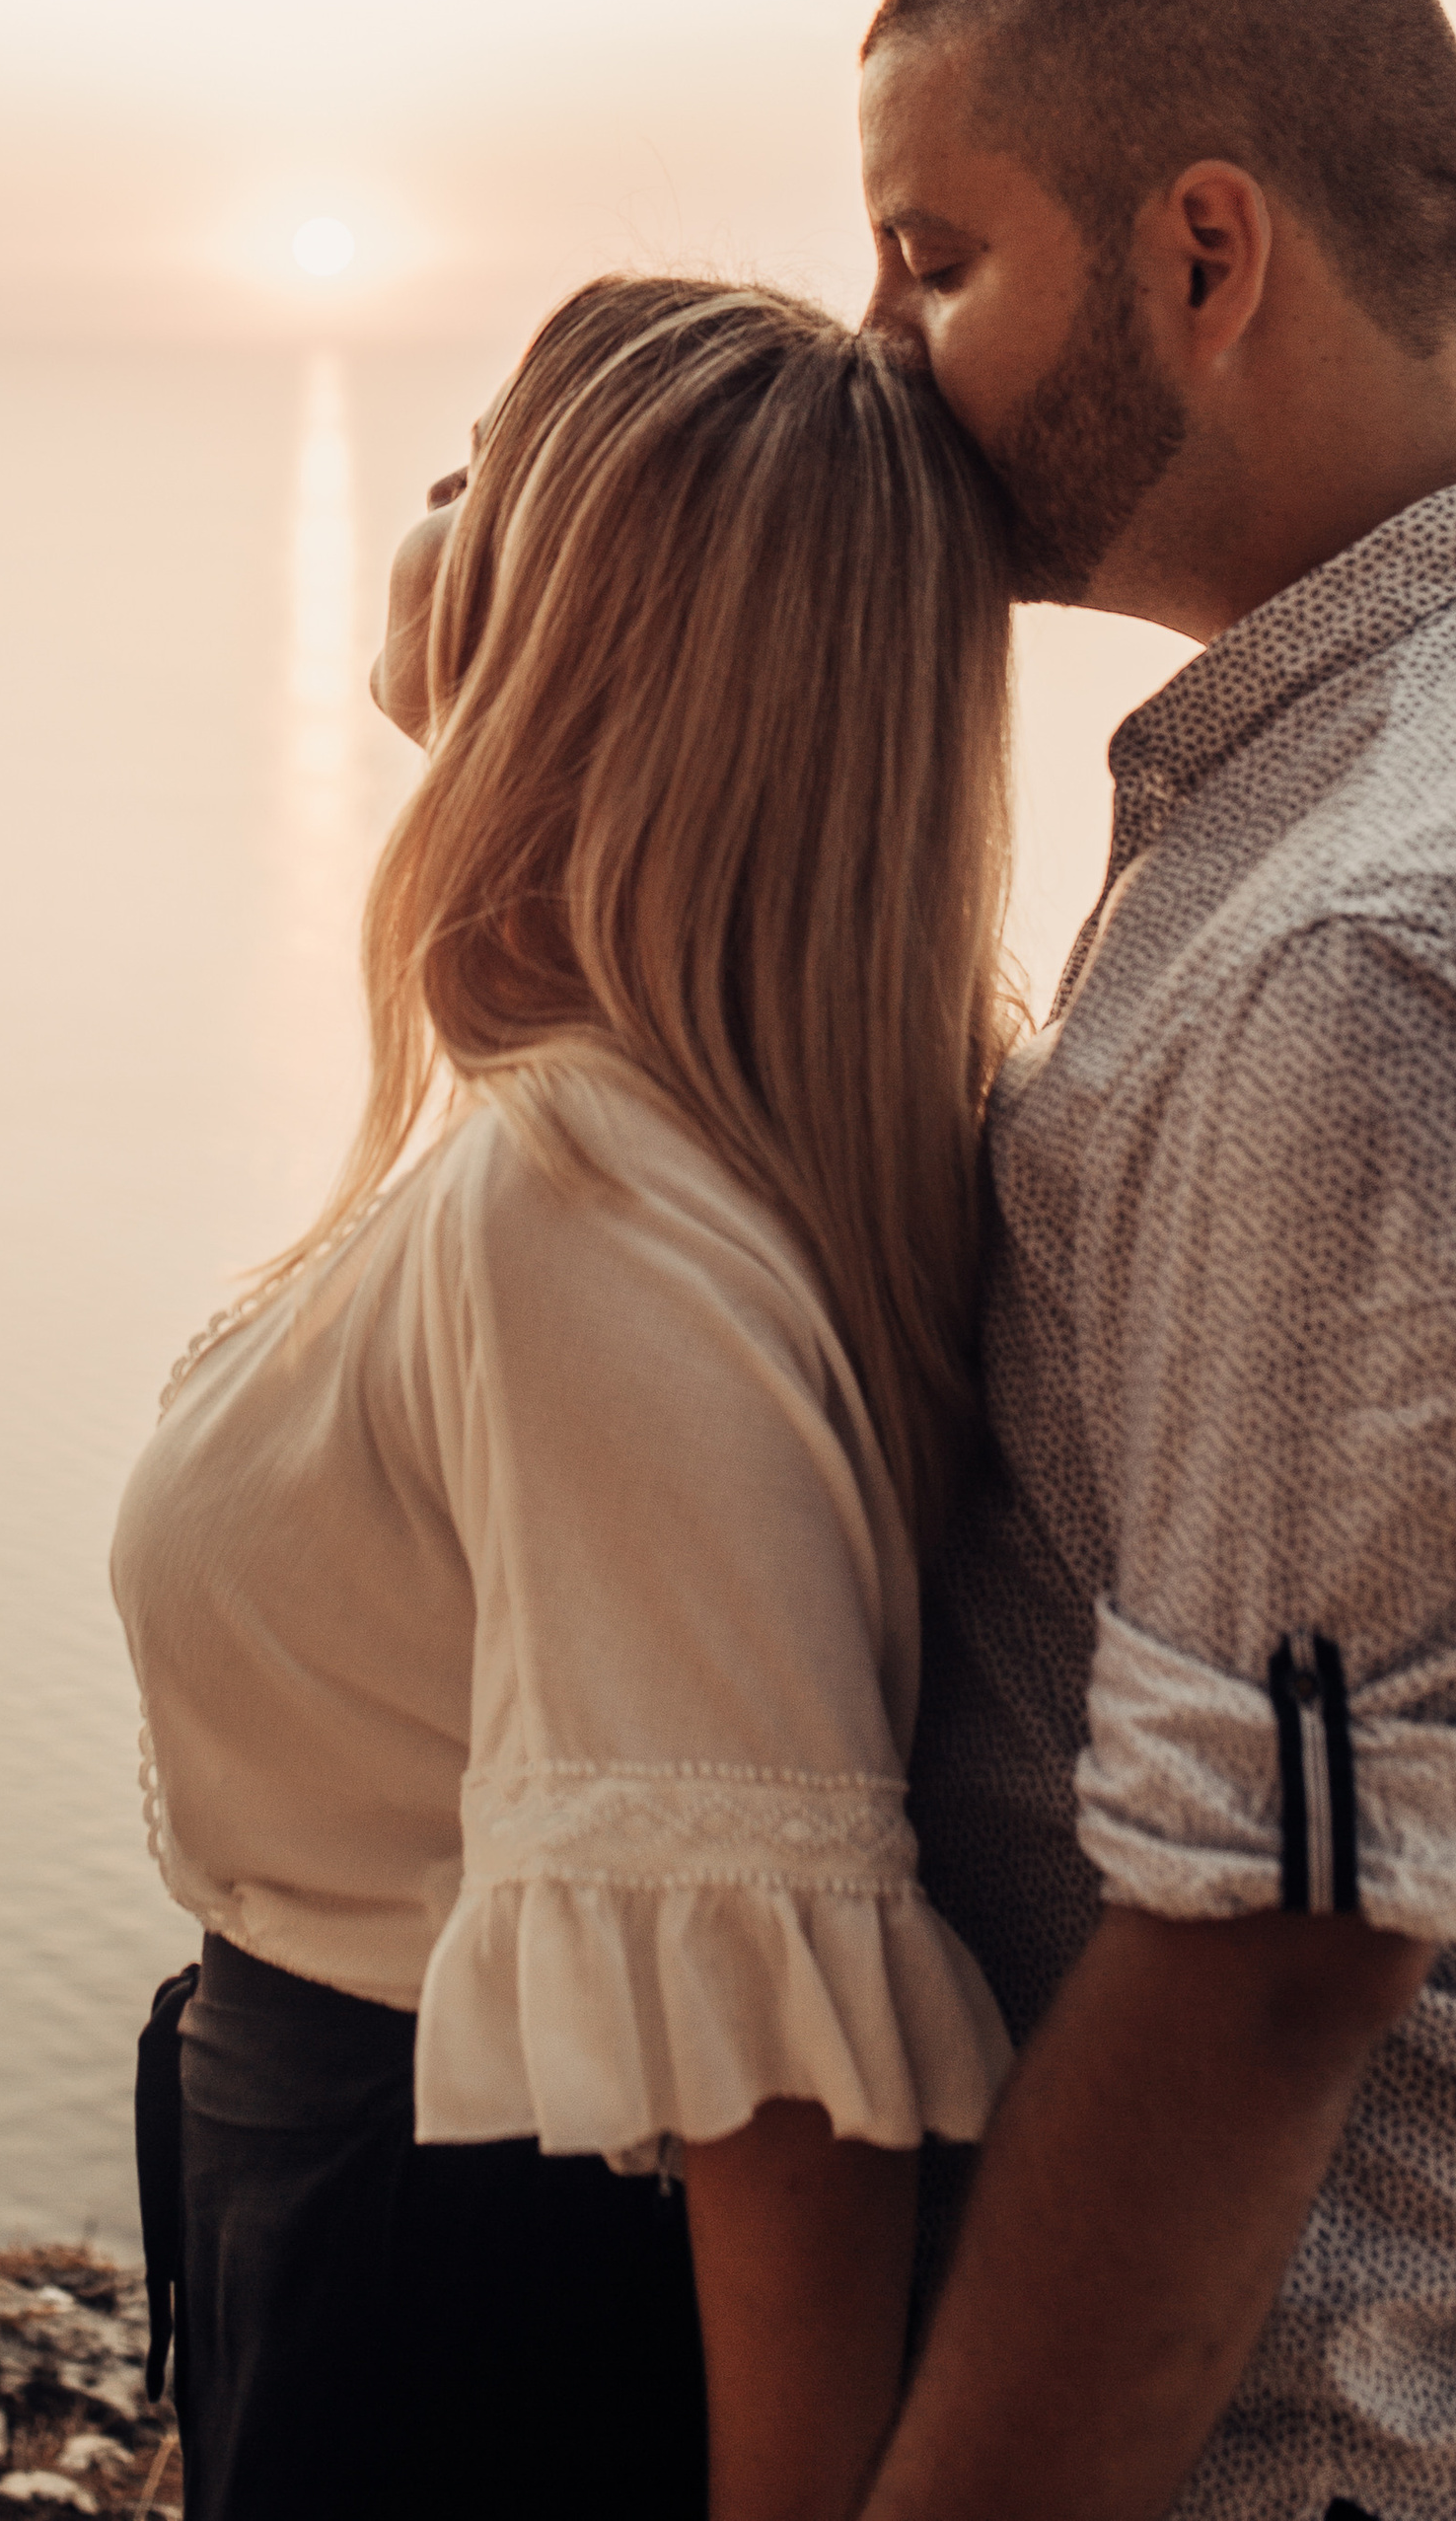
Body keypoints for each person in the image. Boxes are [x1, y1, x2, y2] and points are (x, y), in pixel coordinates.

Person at [848, 0, 1456, 2521]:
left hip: (1357, 2446)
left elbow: (1269, 1949)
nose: (878, 348)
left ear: (1202, 254)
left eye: (932, 258)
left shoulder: (1391, 947)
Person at [112, 274, 1021, 2521]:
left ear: (597, 619)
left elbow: (784, 2100)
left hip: (448, 2286)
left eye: (480, 467)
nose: (424, 496)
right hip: (381, 2211)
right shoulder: (665, 1124)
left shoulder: (586, 1204)